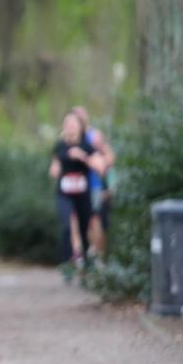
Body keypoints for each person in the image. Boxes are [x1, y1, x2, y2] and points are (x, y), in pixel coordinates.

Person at [49, 112, 107, 279]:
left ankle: (86, 263)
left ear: (80, 127)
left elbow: (100, 168)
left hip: (83, 195)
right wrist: (54, 170)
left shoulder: (87, 146)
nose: (70, 127)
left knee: (83, 229)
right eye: (67, 124)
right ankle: (67, 263)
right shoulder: (60, 145)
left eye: (73, 124)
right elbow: (55, 166)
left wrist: (83, 157)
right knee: (67, 225)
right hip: (64, 194)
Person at [70, 106, 115, 261]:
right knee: (77, 222)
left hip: (93, 185)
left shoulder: (94, 136)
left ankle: (99, 257)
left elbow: (110, 157)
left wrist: (97, 164)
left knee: (94, 220)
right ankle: (83, 255)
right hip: (75, 189)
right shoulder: (67, 137)